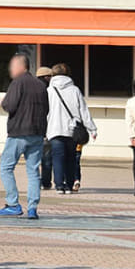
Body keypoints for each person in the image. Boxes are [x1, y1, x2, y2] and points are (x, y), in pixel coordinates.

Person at [0, 51, 48, 219]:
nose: (11, 70)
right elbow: (47, 109)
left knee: (6, 167)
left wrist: (3, 102)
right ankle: (32, 208)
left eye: (12, 66)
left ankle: (13, 204)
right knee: (33, 171)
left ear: (21, 66)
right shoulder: (40, 85)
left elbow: (9, 105)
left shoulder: (17, 83)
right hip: (37, 133)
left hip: (18, 133)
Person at [45, 63, 97, 194]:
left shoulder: (49, 91)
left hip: (54, 129)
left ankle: (59, 185)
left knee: (57, 158)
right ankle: (68, 185)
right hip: (72, 130)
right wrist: (92, 128)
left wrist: (42, 129)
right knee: (71, 158)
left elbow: (45, 112)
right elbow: (83, 111)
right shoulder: (75, 90)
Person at [35, 66, 54, 190]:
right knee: (47, 158)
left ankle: (35, 181)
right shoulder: (49, 91)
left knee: (34, 158)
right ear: (47, 77)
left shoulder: (31, 90)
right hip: (46, 128)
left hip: (32, 129)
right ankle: (45, 182)